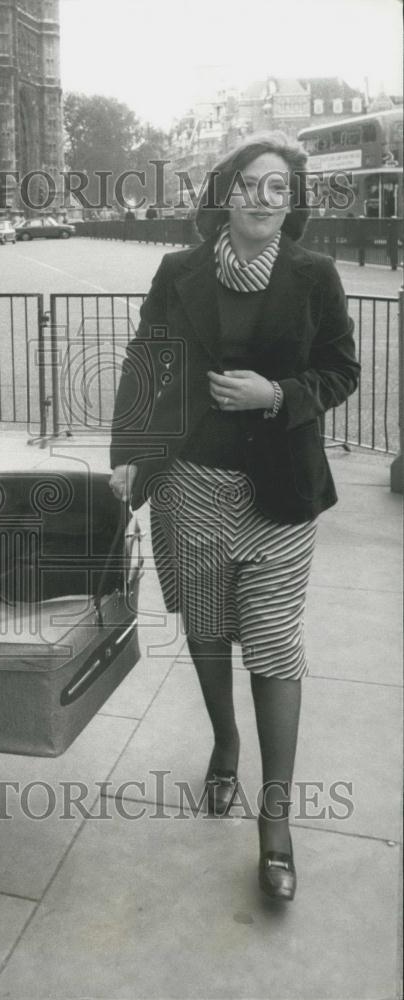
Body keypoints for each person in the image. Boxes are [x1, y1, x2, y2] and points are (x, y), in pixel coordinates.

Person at [109, 132, 359, 903]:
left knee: (276, 647)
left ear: (294, 203)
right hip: (191, 487)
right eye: (249, 185)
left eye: (278, 188)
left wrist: (278, 395)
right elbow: (145, 362)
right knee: (210, 629)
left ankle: (275, 825)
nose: (261, 199)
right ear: (225, 194)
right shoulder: (179, 271)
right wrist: (128, 451)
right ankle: (224, 743)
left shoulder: (314, 275)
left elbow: (342, 369)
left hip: (280, 496)